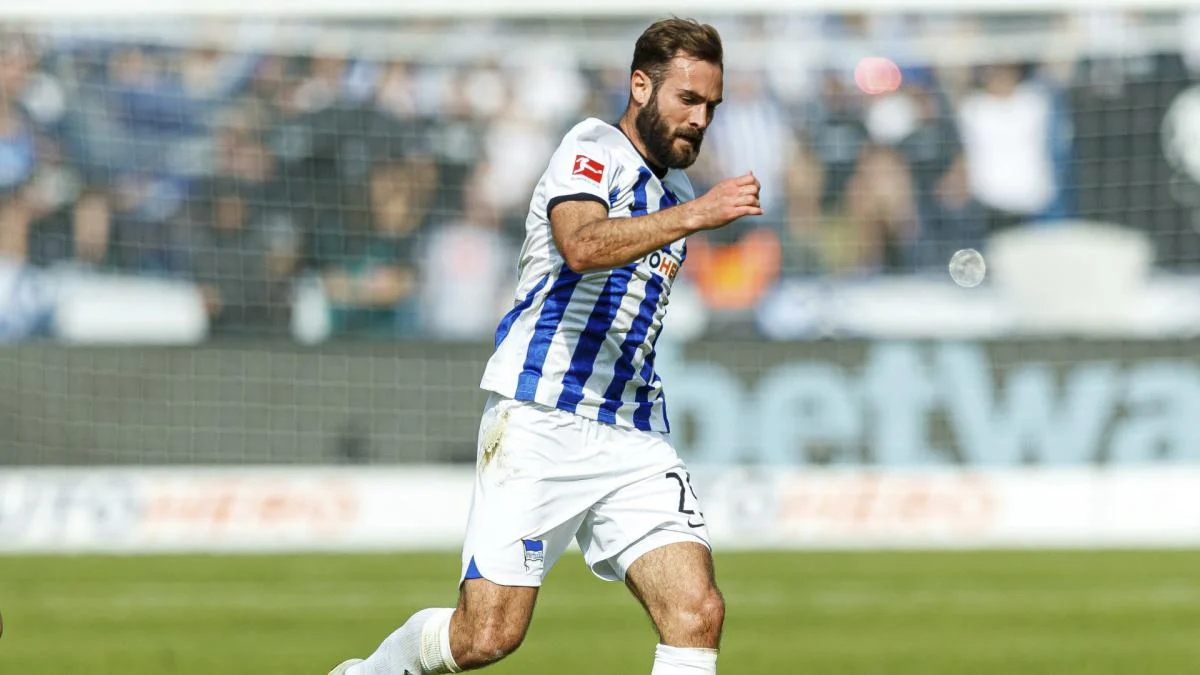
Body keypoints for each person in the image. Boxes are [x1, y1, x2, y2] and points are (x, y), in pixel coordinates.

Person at [330, 17, 761, 675]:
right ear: (640, 86)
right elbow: (581, 245)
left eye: (711, 106)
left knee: (696, 611)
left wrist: (691, 210)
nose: (701, 119)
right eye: (688, 99)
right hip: (542, 416)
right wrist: (696, 215)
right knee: (485, 636)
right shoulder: (591, 148)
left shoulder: (675, 191)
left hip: (632, 432)